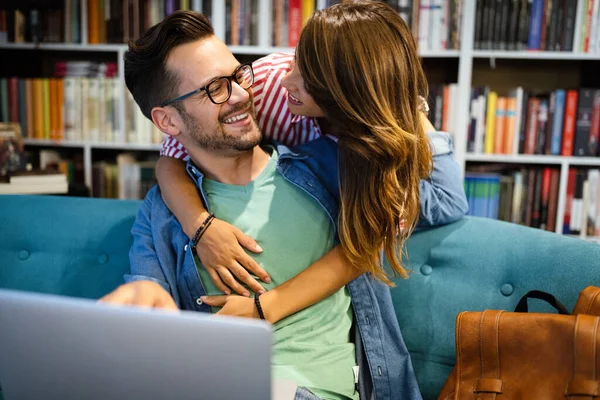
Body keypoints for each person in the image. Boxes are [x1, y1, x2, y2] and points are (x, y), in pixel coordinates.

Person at [155, 6, 468, 300]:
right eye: (295, 62)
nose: (286, 79)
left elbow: (447, 200)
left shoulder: (359, 154)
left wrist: (410, 109)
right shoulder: (260, 86)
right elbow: (171, 159)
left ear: (344, 94)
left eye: (306, 80)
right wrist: (202, 227)